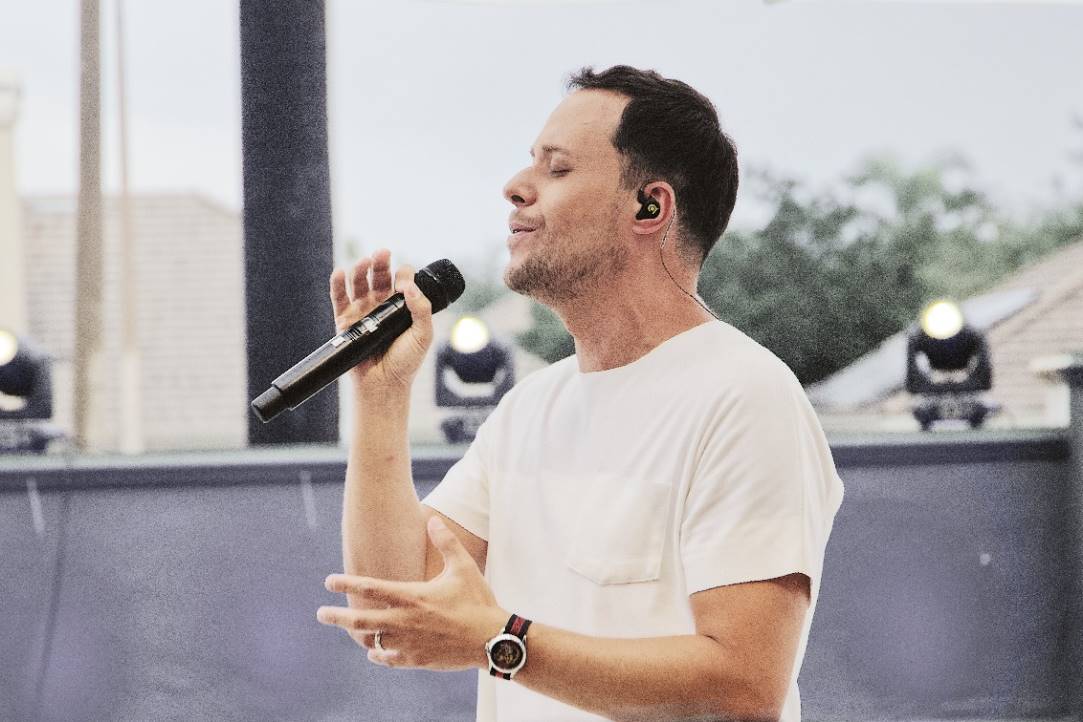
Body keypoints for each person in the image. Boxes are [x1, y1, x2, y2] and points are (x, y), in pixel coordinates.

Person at [316, 65, 845, 722]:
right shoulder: (527, 410)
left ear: (649, 206)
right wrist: (381, 395)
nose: (514, 188)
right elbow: (391, 608)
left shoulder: (743, 394)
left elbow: (741, 686)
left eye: (556, 169)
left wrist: (501, 642)